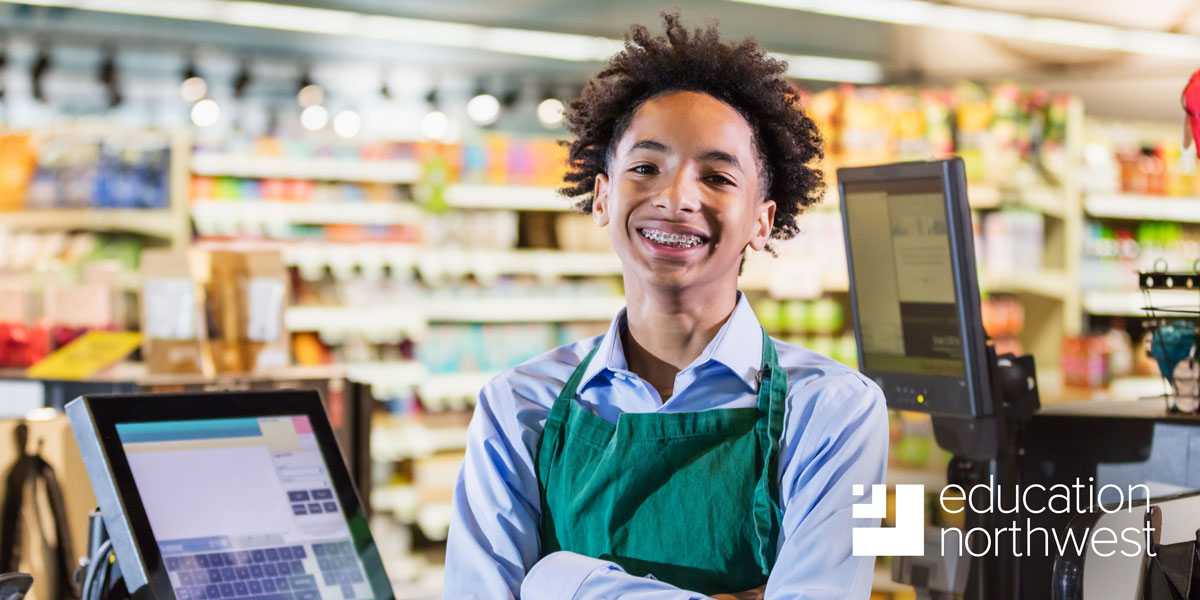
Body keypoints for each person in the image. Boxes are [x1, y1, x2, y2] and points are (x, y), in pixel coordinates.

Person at [444, 12, 888, 599]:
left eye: (718, 177)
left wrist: (560, 582)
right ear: (603, 197)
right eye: (646, 167)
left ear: (764, 220)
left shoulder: (842, 413)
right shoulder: (515, 408)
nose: (676, 198)